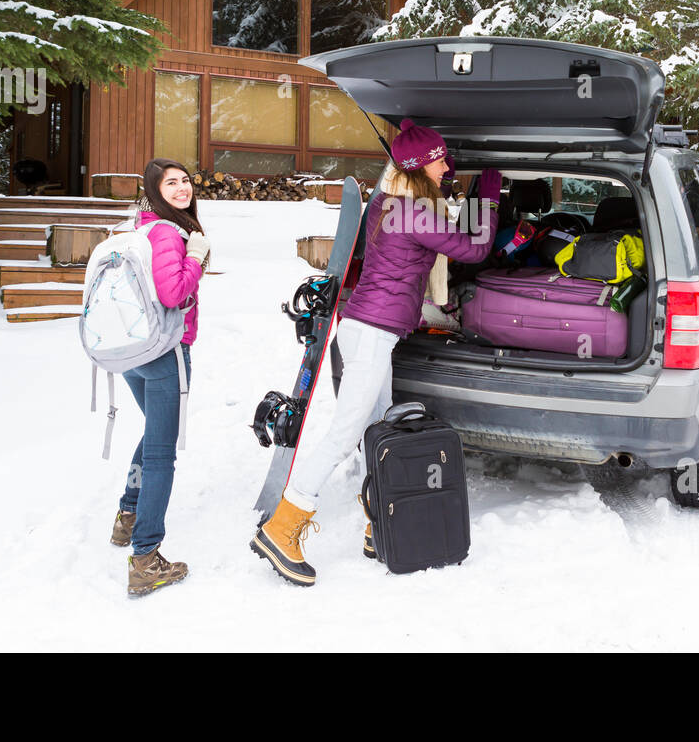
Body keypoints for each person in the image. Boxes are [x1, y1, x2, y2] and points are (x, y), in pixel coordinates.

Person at [251, 120, 502, 585]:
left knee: (379, 428)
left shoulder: (389, 204)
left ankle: (377, 523)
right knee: (343, 436)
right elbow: (475, 248)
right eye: (440, 159)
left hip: (368, 330)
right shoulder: (414, 212)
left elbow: (422, 240)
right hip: (371, 334)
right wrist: (488, 191)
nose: (448, 166)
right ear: (420, 164)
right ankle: (283, 527)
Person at [110, 158, 211, 596]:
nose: (182, 188)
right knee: (160, 455)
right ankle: (146, 557)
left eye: (185, 180)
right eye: (171, 183)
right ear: (154, 190)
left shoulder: (144, 227)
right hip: (165, 351)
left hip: (132, 349)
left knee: (152, 433)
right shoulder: (170, 234)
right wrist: (196, 259)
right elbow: (174, 293)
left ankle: (127, 515)